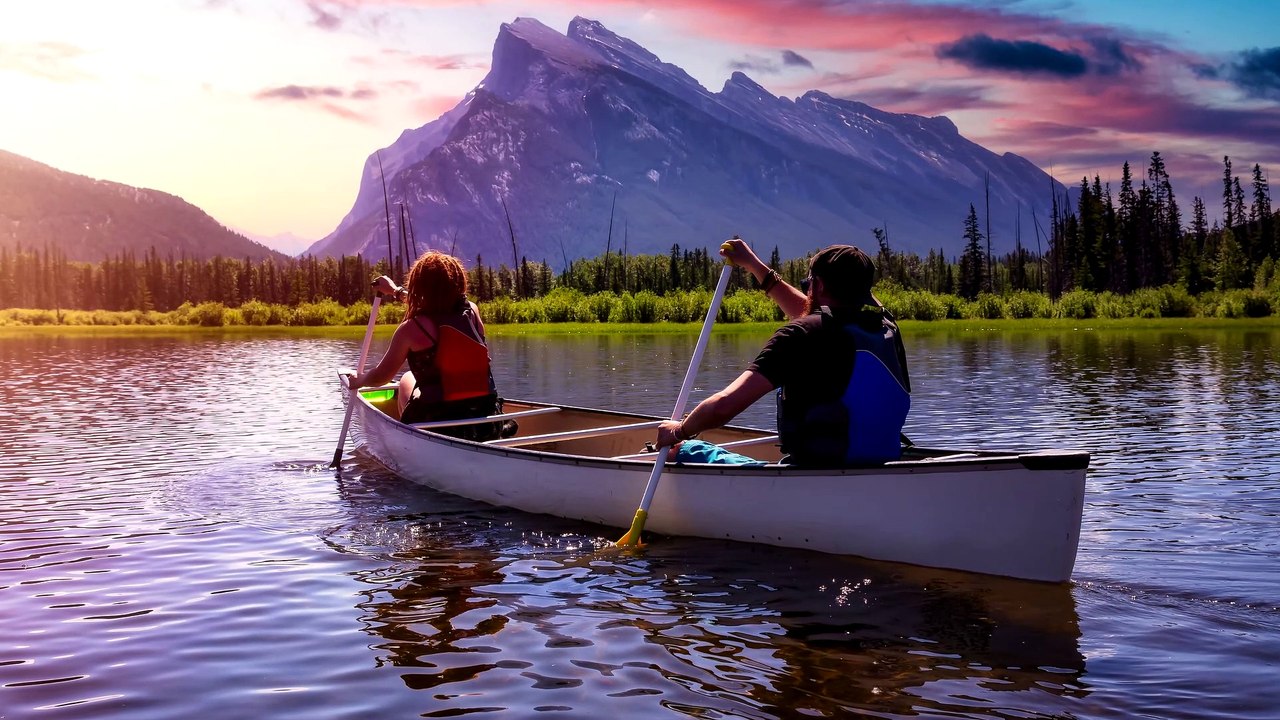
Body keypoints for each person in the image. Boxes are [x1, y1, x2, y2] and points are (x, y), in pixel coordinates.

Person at [656, 240, 910, 466]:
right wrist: (754, 265)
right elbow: (814, 314)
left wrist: (679, 431)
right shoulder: (886, 328)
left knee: (685, 451)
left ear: (818, 285)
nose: (807, 289)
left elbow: (723, 407)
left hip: (817, 470)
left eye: (808, 284)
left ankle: (681, 450)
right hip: (884, 460)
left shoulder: (801, 336)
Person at [346, 251, 515, 441]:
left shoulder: (410, 329)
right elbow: (439, 306)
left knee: (406, 379)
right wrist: (395, 291)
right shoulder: (472, 313)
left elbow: (381, 377)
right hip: (486, 422)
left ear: (419, 286)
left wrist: (359, 380)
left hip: (438, 426)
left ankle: (410, 440)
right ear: (457, 283)